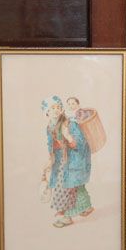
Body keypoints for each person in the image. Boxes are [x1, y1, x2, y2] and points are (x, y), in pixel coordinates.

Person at [42, 96, 93, 228]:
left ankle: (67, 216)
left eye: (58, 107)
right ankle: (86, 207)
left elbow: (80, 142)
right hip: (60, 160)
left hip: (74, 158)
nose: (56, 110)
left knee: (67, 187)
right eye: (52, 108)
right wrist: (50, 159)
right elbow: (51, 144)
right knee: (75, 185)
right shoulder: (49, 126)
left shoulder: (69, 123)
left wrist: (68, 138)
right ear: (47, 112)